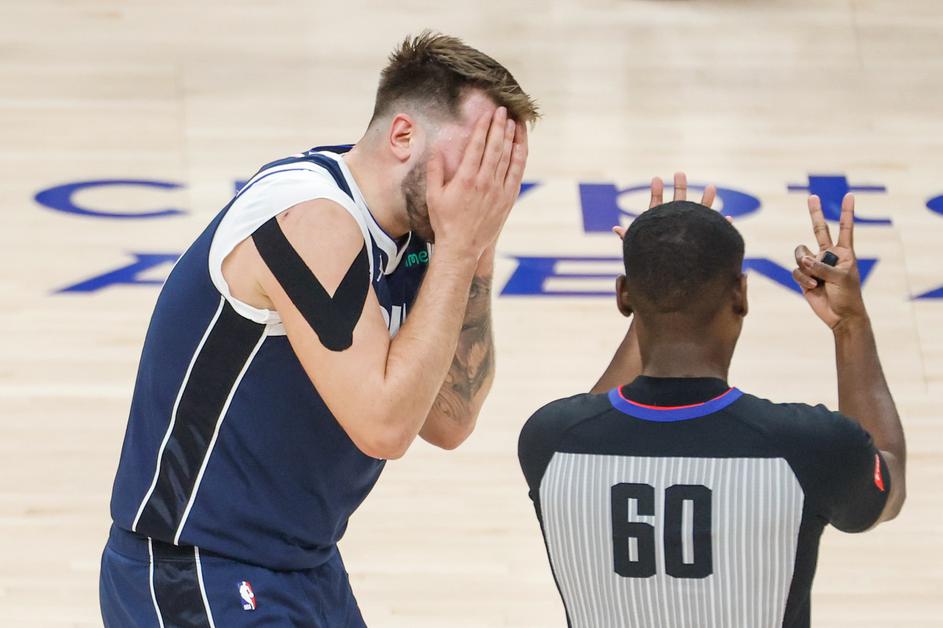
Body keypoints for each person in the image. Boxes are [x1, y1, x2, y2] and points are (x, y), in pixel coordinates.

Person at [100, 32, 538, 627]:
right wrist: (460, 248)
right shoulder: (312, 216)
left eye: (502, 166)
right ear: (403, 136)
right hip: (198, 567)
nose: (486, 184)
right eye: (480, 156)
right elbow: (384, 427)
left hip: (304, 563)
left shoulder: (419, 238)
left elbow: (449, 421)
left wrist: (477, 249)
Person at [518, 177, 906, 628]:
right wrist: (849, 323)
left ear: (623, 295)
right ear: (741, 294)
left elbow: (593, 416)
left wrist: (653, 283)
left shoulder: (549, 440)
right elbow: (889, 478)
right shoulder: (812, 445)